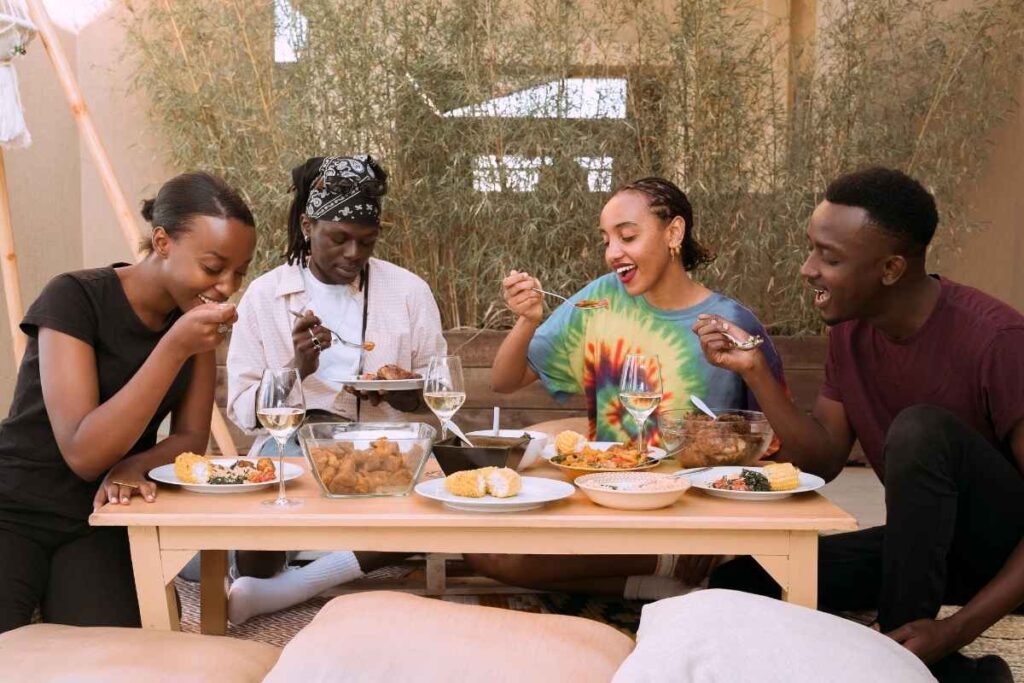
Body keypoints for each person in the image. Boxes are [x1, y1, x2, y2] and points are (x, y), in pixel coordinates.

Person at [695, 167, 1022, 683]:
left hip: (1005, 559)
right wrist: (755, 371)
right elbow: (821, 461)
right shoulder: (852, 333)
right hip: (923, 547)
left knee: (919, 430)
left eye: (830, 257)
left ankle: (900, 652)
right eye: (811, 249)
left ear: (890, 268)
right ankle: (965, 677)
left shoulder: (998, 342)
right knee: (742, 583)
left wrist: (957, 628)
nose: (807, 269)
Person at [468, 177, 787, 599]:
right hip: (604, 499)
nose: (613, 252)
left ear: (674, 232)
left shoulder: (731, 322)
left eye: (628, 236)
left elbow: (773, 444)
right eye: (606, 240)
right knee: (482, 552)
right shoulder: (599, 301)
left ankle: (686, 565)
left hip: (692, 511)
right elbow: (505, 381)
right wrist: (527, 319)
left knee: (503, 559)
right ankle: (663, 583)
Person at [0, 172, 256, 633]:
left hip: (100, 516)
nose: (227, 287)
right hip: (14, 505)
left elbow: (190, 439)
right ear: (161, 242)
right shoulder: (74, 298)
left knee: (117, 658)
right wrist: (173, 347)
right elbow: (83, 452)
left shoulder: (191, 324)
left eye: (240, 272)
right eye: (214, 267)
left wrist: (136, 465)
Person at [225, 155, 445, 624]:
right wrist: (296, 368)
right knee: (254, 555)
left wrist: (410, 395)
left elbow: (440, 387)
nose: (353, 254)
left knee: (441, 509)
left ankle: (294, 587)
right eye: (338, 238)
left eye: (366, 242)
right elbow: (243, 411)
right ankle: (292, 569)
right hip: (293, 442)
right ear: (307, 225)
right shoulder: (265, 296)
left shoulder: (407, 291)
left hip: (388, 444)